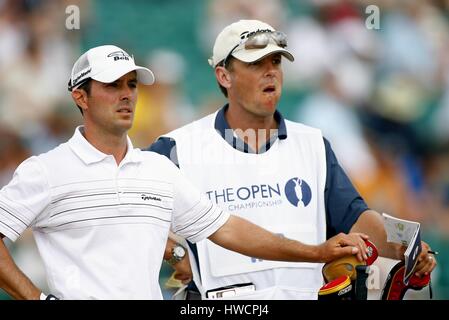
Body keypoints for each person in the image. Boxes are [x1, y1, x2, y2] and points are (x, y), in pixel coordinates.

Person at [0, 45, 369, 300]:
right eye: (112, 85)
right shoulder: (47, 170)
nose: (127, 95)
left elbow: (227, 229)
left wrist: (316, 252)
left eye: (131, 84)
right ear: (80, 96)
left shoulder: (156, 168)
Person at [148, 20, 437, 299]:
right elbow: (123, 206)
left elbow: (355, 217)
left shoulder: (312, 144)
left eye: (275, 62)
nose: (270, 72)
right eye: (255, 64)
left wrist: (404, 247)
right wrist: (174, 253)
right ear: (224, 76)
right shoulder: (178, 148)